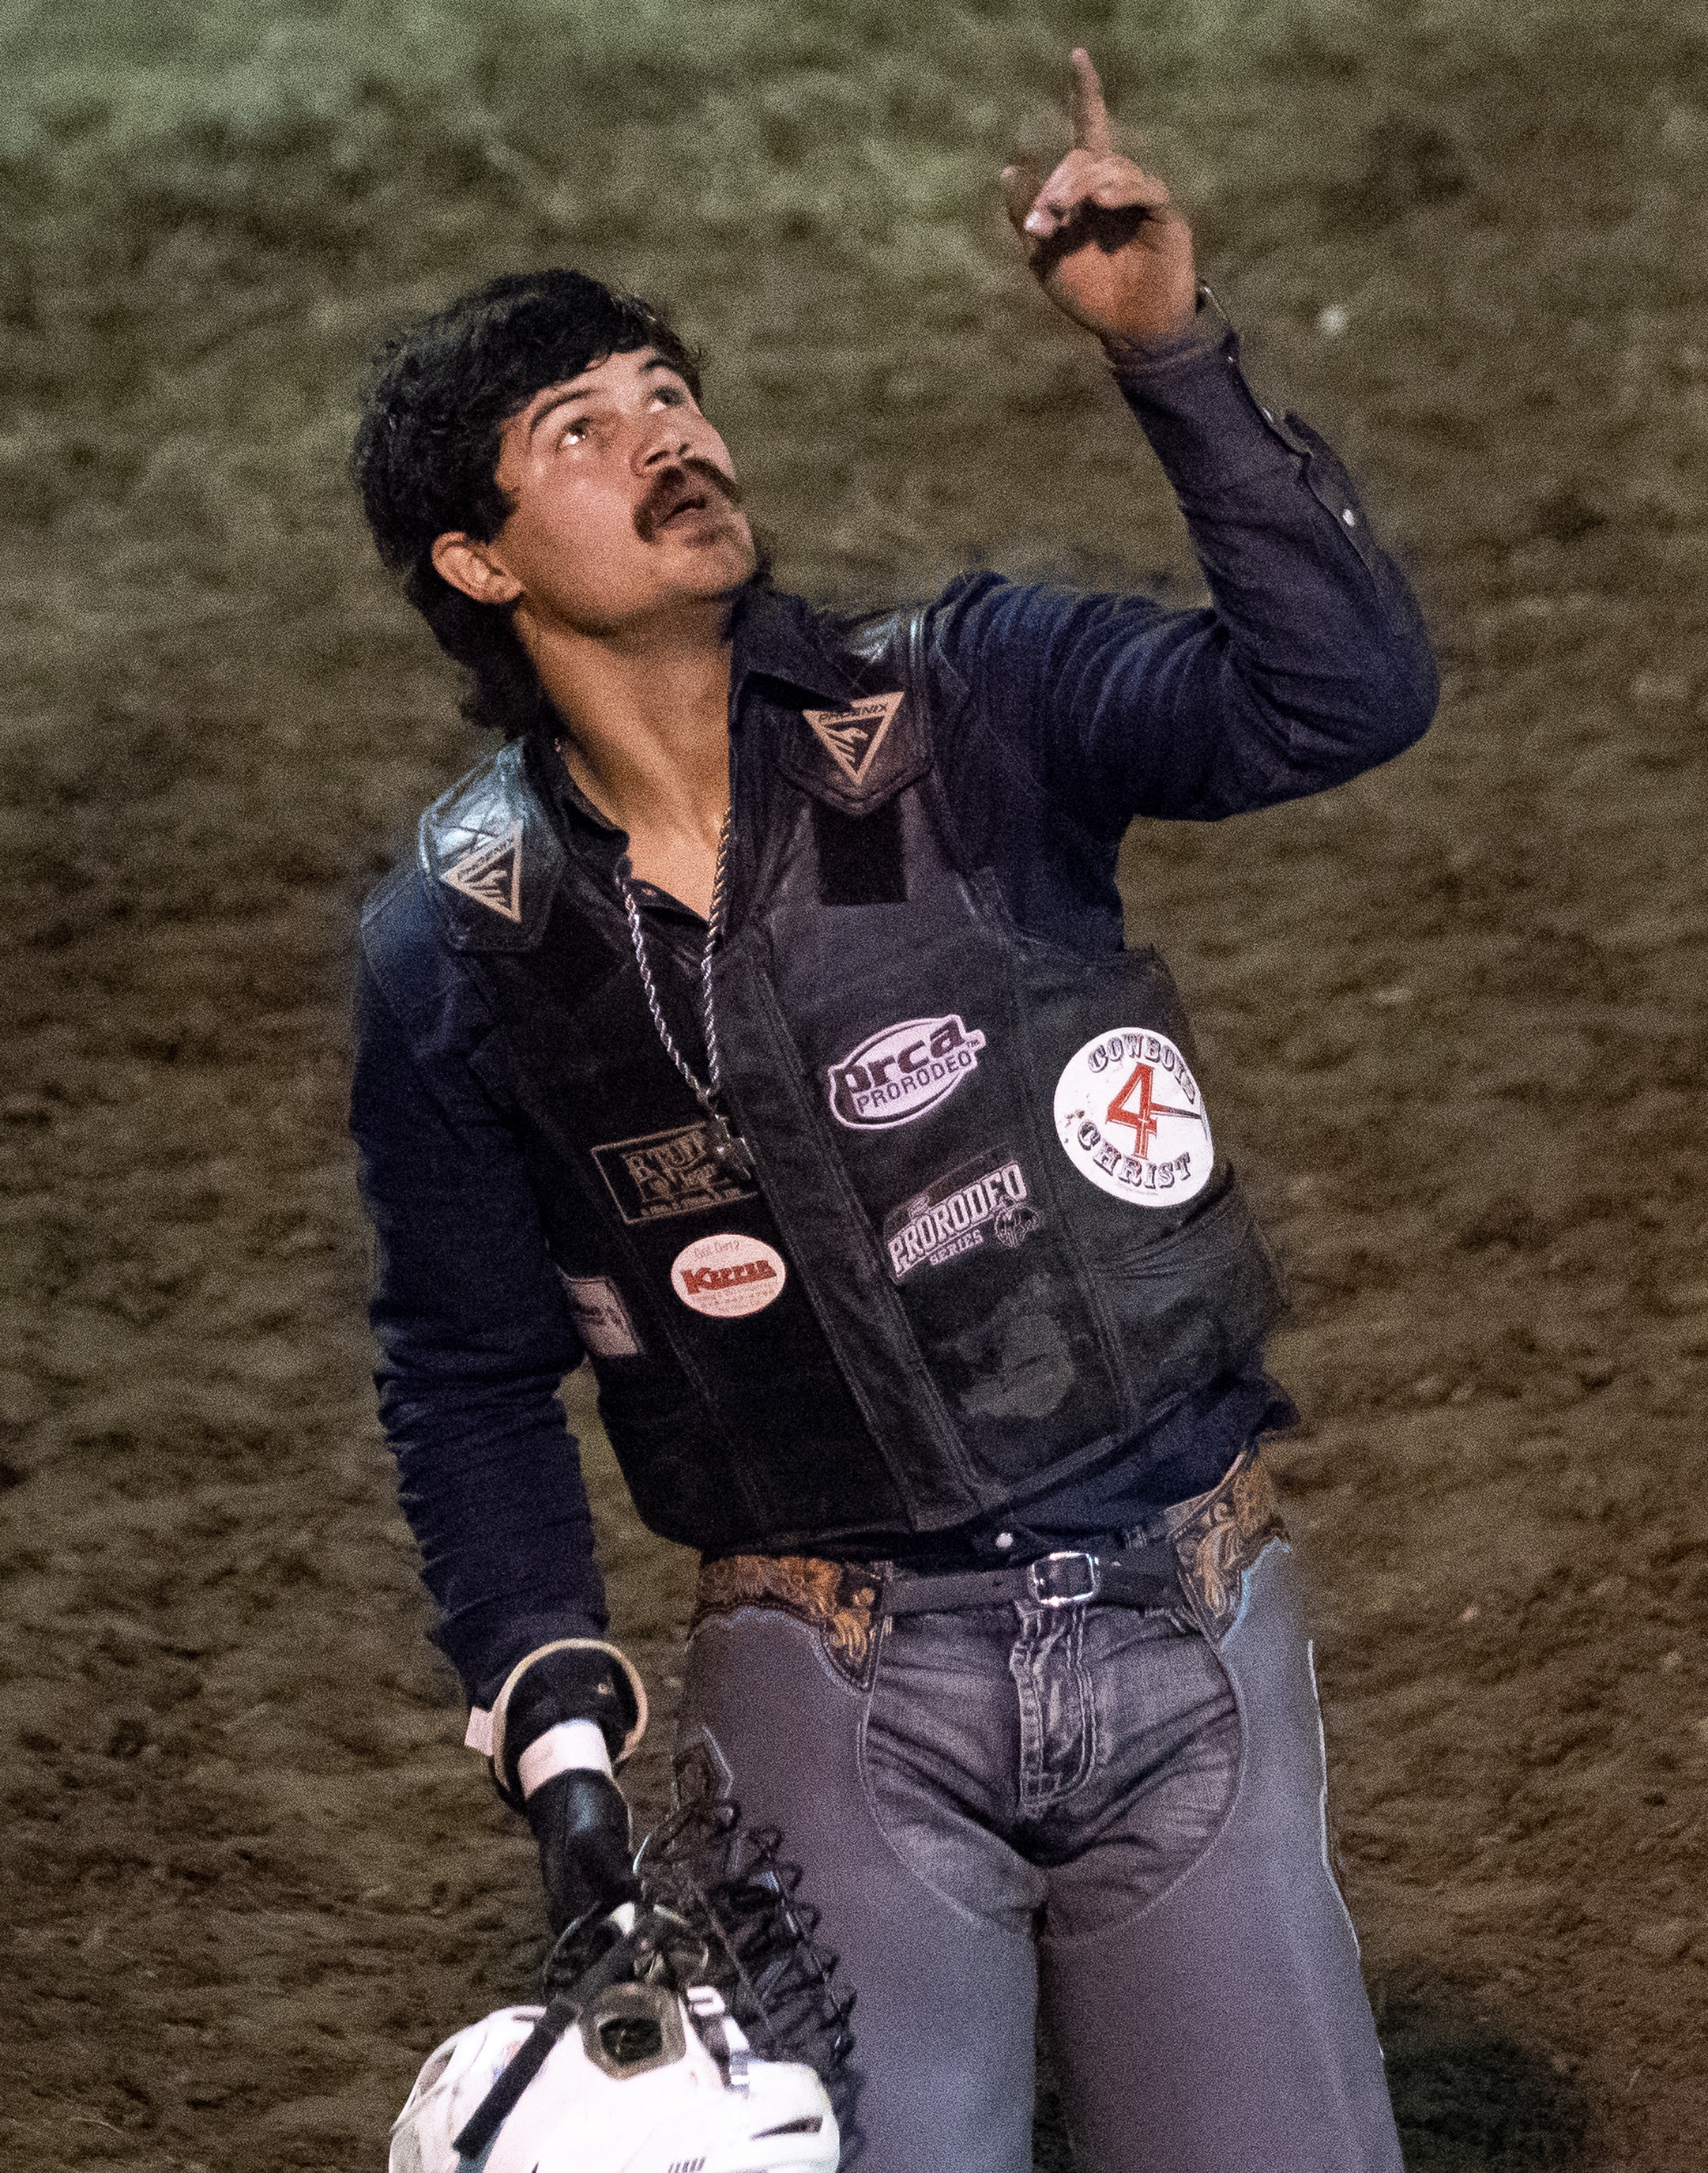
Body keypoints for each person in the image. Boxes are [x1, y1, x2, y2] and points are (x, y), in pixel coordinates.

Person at [349, 48, 1434, 2173]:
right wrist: (546, 1699)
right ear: (477, 565)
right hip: (831, 1688)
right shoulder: (458, 944)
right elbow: (465, 1361)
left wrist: (1170, 357)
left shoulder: (976, 704)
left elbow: (1339, 696)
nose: (667, 437)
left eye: (671, 390)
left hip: (1182, 1619)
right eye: (583, 427)